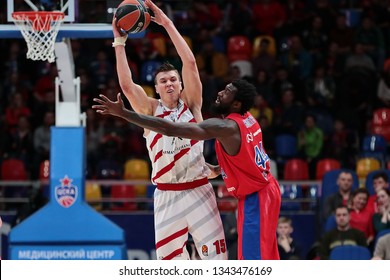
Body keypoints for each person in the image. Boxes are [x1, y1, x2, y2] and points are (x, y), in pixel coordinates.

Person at [93, 78, 281, 260]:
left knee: (253, 260)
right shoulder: (248, 119)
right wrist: (218, 169)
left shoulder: (225, 126)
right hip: (266, 190)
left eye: (227, 93)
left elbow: (170, 129)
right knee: (267, 254)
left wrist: (125, 114)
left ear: (236, 104)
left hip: (257, 196)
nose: (220, 93)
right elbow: (244, 160)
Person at [109, 0, 226, 260]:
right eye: (163, 81)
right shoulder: (150, 110)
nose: (170, 83)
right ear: (157, 88)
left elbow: (191, 62)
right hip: (167, 196)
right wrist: (119, 43)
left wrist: (167, 23)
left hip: (199, 190)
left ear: (181, 84)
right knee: (169, 270)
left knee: (217, 264)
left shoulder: (193, 106)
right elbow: (127, 86)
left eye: (174, 79)